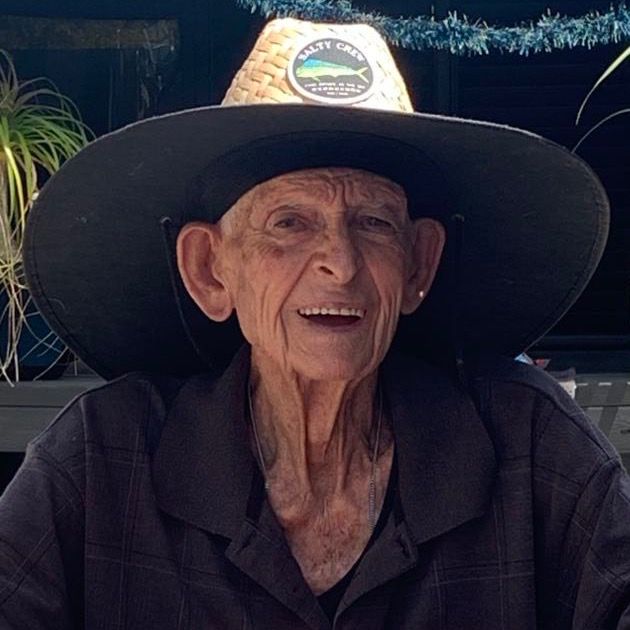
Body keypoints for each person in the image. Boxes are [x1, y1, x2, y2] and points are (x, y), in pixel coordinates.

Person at [1, 16, 628, 630]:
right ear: (210, 270)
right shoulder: (103, 456)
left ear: (418, 264)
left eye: (374, 223)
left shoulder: (528, 442)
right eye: (290, 223)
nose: (341, 262)